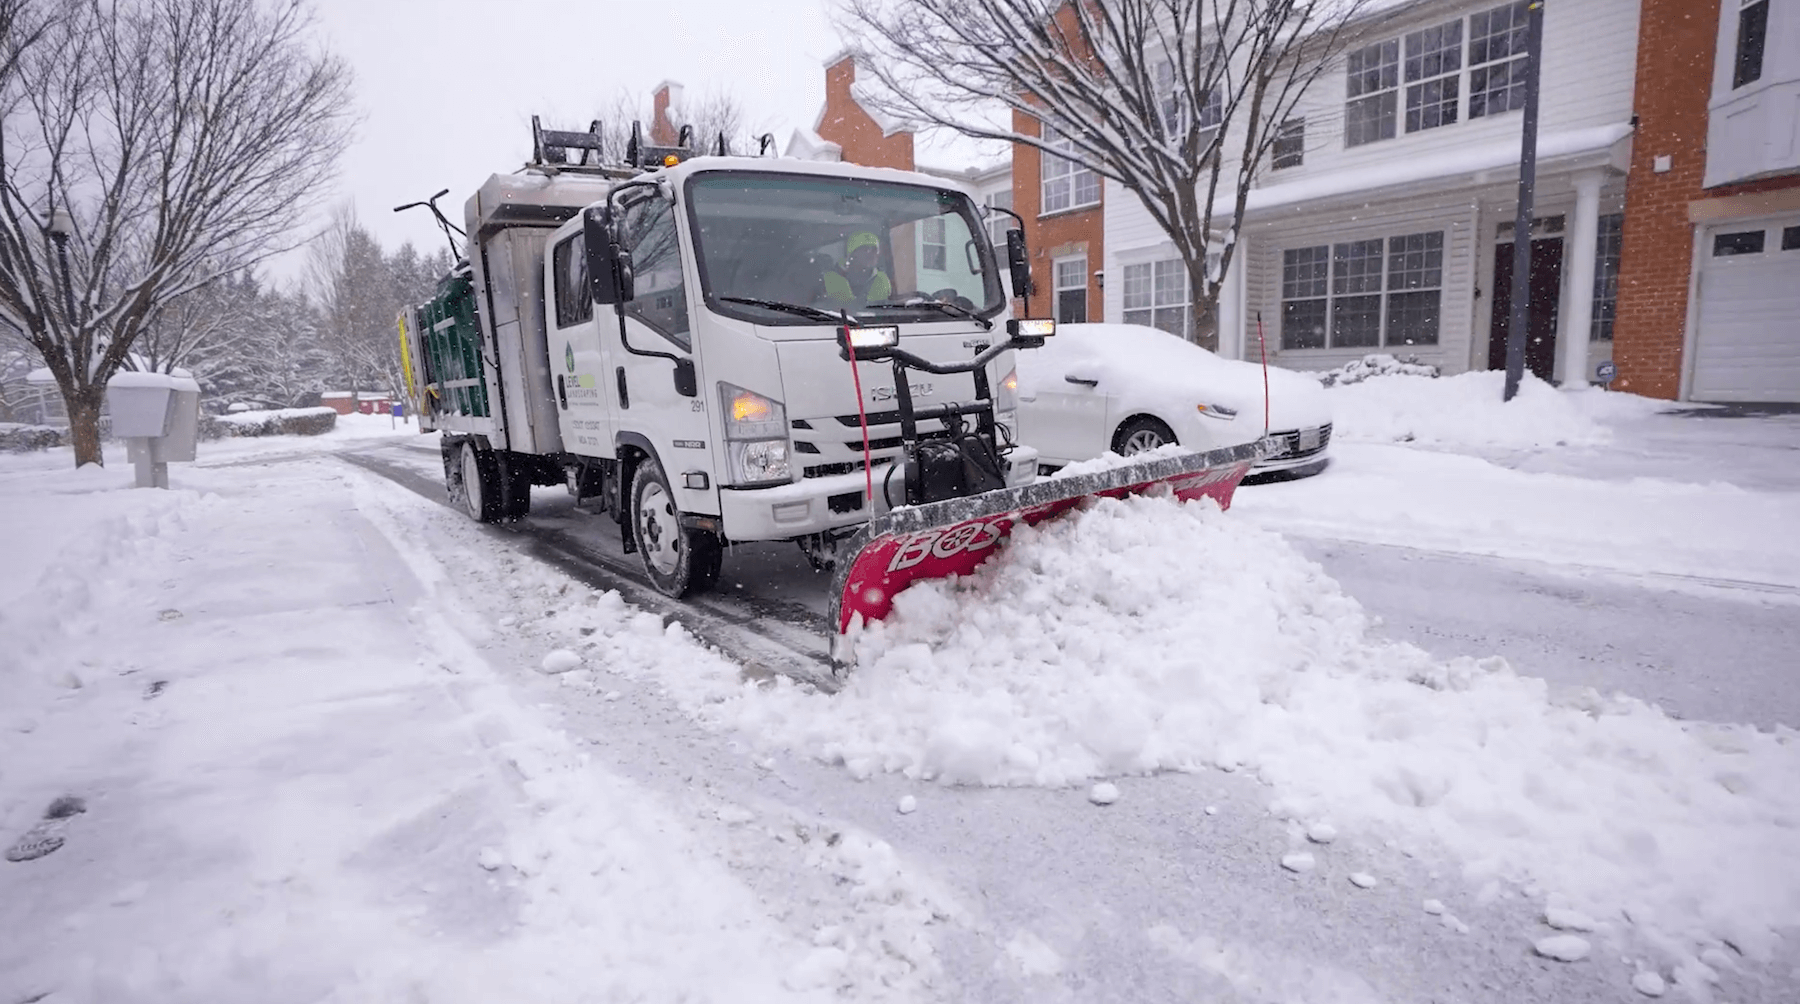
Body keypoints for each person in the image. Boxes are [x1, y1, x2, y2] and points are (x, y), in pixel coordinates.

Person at [821, 230, 893, 307]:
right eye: (865, 249)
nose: (871, 253)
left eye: (874, 250)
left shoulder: (883, 280)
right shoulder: (829, 279)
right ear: (851, 254)